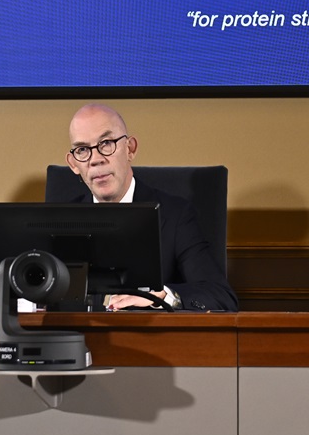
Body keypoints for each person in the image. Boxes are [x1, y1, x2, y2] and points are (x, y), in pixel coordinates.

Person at [60, 103, 237, 311]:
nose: (96, 160)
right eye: (82, 150)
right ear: (73, 164)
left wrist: (164, 296)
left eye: (106, 143)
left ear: (130, 149)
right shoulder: (63, 222)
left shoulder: (175, 216)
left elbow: (221, 297)